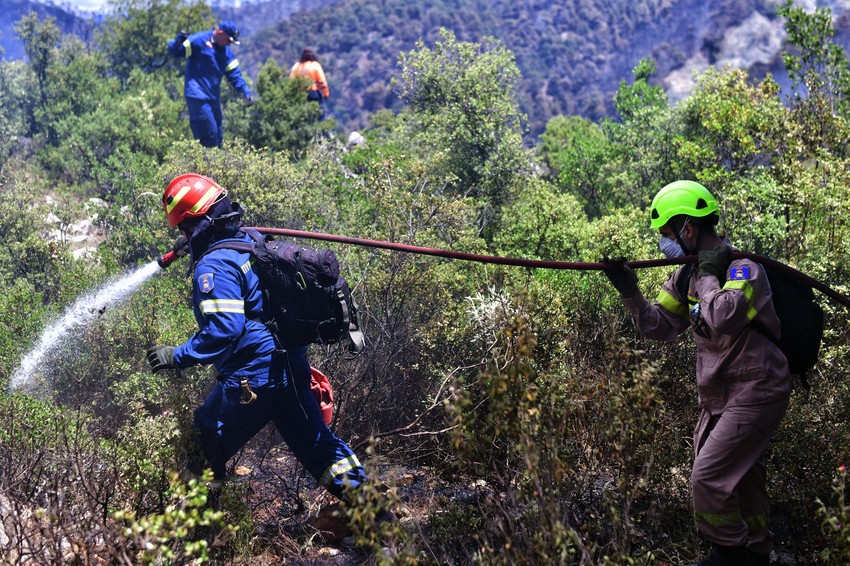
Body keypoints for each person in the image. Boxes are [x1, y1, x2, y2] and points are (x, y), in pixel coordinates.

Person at [601, 180, 791, 566]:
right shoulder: (686, 276)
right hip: (723, 395)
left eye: (666, 234)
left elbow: (723, 315)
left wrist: (707, 275)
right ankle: (756, 550)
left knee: (708, 477)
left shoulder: (744, 269)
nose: (664, 244)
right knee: (744, 474)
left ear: (688, 229)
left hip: (758, 388)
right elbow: (659, 324)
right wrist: (629, 291)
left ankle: (729, 554)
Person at [146, 173, 366, 502]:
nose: (181, 235)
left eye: (183, 228)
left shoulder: (214, 267)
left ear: (197, 224)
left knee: (202, 441)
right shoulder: (251, 241)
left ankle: (201, 529)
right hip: (290, 368)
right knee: (319, 447)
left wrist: (176, 356)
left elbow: (225, 329)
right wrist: (192, 240)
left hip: (252, 380)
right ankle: (375, 514)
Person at [167, 21, 254, 148]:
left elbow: (235, 75)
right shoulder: (198, 41)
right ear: (220, 32)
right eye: (229, 40)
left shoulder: (226, 53)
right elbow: (174, 52)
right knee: (209, 134)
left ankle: (213, 165)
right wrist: (178, 41)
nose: (230, 44)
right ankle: (204, 165)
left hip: (213, 98)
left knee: (218, 137)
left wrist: (245, 91)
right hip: (197, 96)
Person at [289, 48, 330, 121]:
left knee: (302, 115)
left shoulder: (296, 66)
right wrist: (326, 94)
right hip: (313, 93)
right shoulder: (315, 65)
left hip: (300, 94)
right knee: (320, 112)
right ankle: (322, 130)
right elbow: (322, 81)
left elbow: (290, 82)